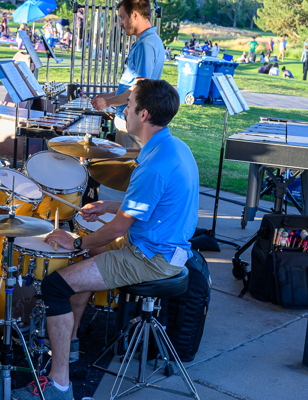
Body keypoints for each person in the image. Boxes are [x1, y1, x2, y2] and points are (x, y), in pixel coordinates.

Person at [11, 79, 199, 400]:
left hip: (151, 258)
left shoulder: (154, 165)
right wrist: (107, 206)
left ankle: (58, 385)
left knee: (56, 286)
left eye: (129, 105)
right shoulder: (173, 146)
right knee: (88, 256)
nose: (123, 110)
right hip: (161, 245)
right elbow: (149, 206)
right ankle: (68, 345)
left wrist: (76, 242)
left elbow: (118, 228)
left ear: (144, 114)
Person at [91, 0, 165, 150]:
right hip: (131, 118)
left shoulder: (145, 44)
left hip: (131, 120)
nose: (120, 23)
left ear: (135, 15)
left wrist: (108, 103)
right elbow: (133, 84)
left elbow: (139, 89)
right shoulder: (150, 40)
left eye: (122, 17)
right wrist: (108, 96)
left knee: (126, 165)